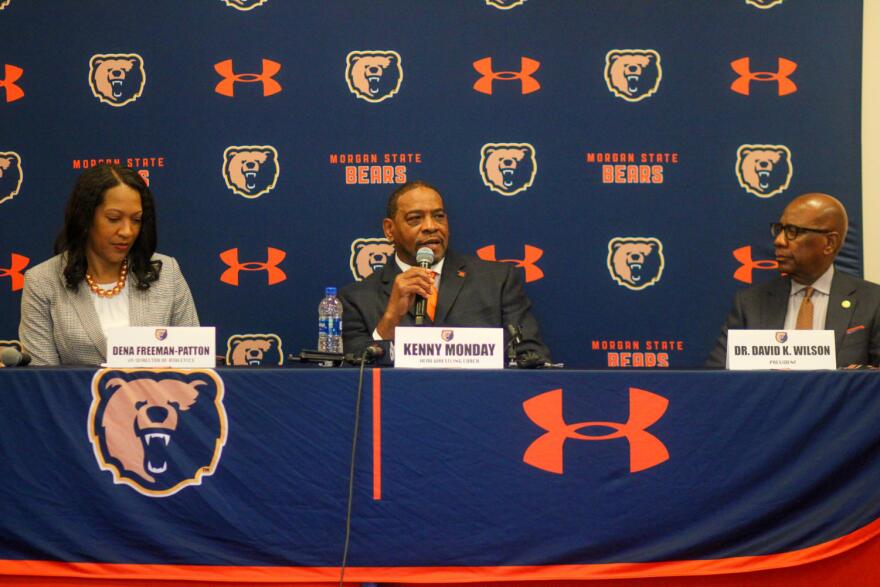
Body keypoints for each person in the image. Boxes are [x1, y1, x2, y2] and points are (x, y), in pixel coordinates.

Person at [339, 180, 550, 362]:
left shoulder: (496, 281)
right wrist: (391, 318)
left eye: (439, 216)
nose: (431, 226)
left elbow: (532, 357)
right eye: (415, 219)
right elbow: (354, 376)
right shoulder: (356, 299)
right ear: (389, 229)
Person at [19, 164, 199, 366]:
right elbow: (42, 381)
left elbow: (194, 364)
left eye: (136, 220)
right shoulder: (43, 281)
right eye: (114, 219)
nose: (127, 231)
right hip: (76, 398)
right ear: (85, 218)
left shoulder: (167, 272)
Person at [706, 192, 880, 368]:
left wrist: (858, 377)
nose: (779, 241)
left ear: (829, 243)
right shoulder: (750, 303)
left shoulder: (872, 302)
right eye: (779, 229)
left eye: (792, 232)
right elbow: (718, 378)